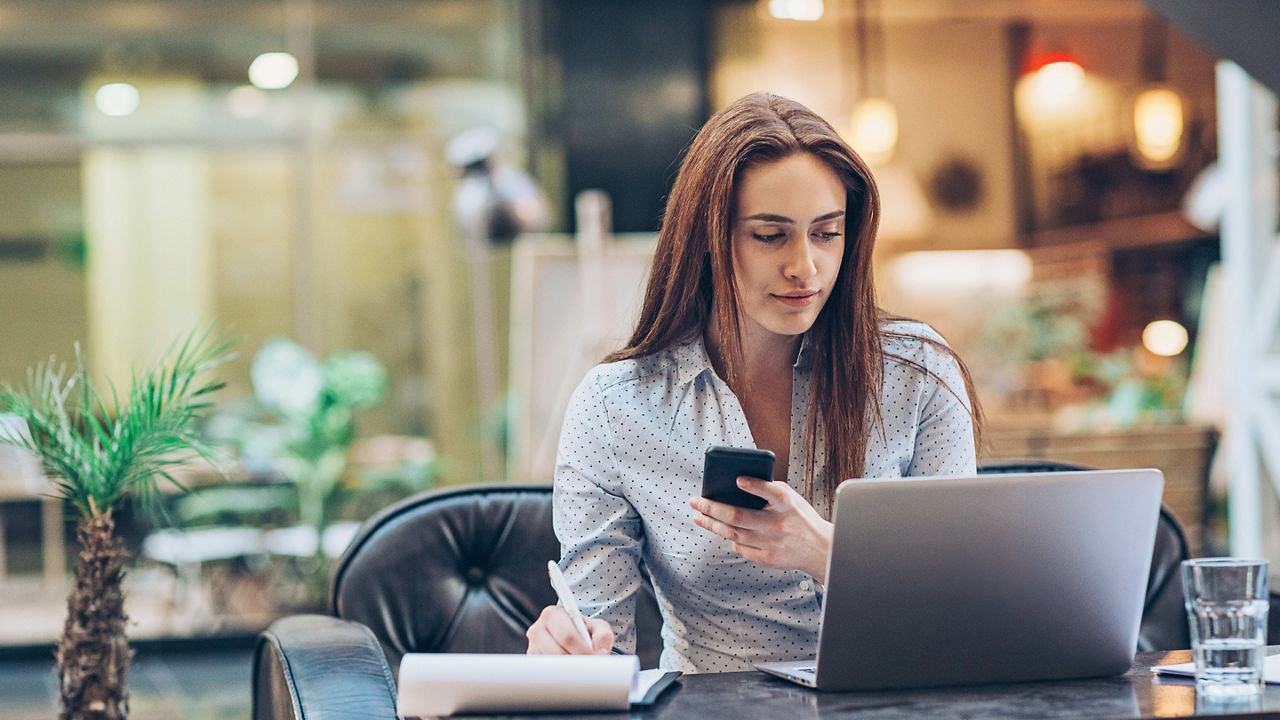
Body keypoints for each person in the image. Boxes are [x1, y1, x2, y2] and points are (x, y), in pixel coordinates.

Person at [525, 92, 981, 673]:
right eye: (770, 236)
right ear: (707, 239)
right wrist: (565, 651)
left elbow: (963, 605)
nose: (805, 267)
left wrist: (827, 553)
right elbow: (600, 644)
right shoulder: (618, 405)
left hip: (893, 702)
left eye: (827, 233)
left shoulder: (916, 372)